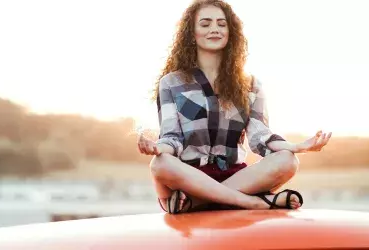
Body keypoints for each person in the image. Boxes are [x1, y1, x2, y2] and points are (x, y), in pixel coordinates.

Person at [138, 0, 332, 214]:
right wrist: (156, 148)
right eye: (205, 24)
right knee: (160, 164)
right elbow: (172, 138)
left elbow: (260, 138)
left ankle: (198, 202)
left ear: (231, 32)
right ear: (191, 34)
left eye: (222, 24)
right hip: (189, 177)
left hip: (235, 177)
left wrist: (297, 147)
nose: (215, 29)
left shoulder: (251, 85)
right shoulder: (171, 82)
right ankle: (254, 202)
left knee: (288, 161)